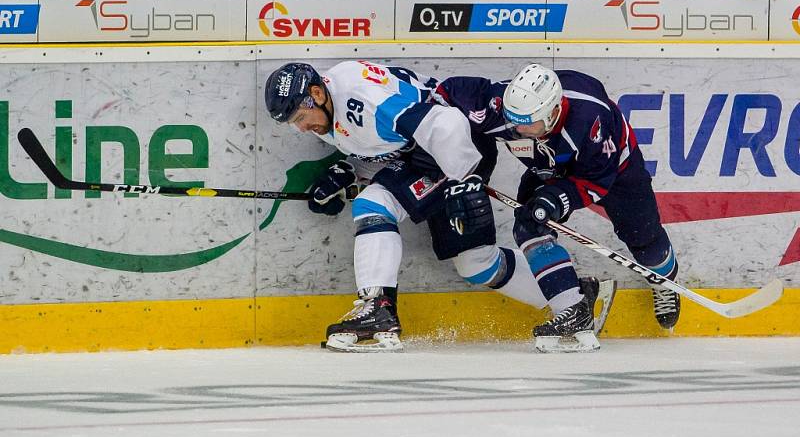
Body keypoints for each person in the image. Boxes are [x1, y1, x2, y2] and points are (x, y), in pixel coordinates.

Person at [264, 61, 612, 353]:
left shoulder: (364, 99)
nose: (302, 127)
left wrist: (463, 179)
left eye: (300, 116)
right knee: (477, 264)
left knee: (374, 204)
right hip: (426, 156)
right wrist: (351, 172)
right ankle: (573, 297)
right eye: (294, 122)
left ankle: (377, 309)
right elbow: (389, 146)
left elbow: (445, 123)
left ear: (317, 94)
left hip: (451, 152)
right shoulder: (330, 108)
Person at [435, 64, 680, 332]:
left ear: (552, 112)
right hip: (549, 169)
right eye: (514, 121)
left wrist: (554, 200)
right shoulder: (504, 108)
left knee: (645, 238)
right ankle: (571, 308)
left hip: (614, 170)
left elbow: (595, 182)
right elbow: (447, 93)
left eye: (528, 124)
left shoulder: (590, 118)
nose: (517, 130)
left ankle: (664, 283)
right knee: (530, 224)